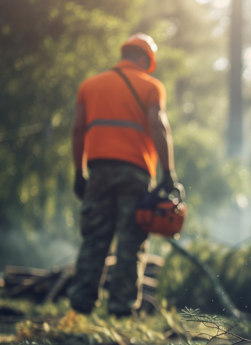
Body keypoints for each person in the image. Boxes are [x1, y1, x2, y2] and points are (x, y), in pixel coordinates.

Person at [67, 33, 177, 316]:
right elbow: (158, 126)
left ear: (123, 54)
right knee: (130, 241)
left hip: (98, 169)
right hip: (135, 173)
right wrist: (169, 173)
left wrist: (79, 170)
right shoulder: (152, 87)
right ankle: (120, 309)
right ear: (144, 60)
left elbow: (78, 129)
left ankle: (81, 305)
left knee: (95, 237)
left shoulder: (89, 86)